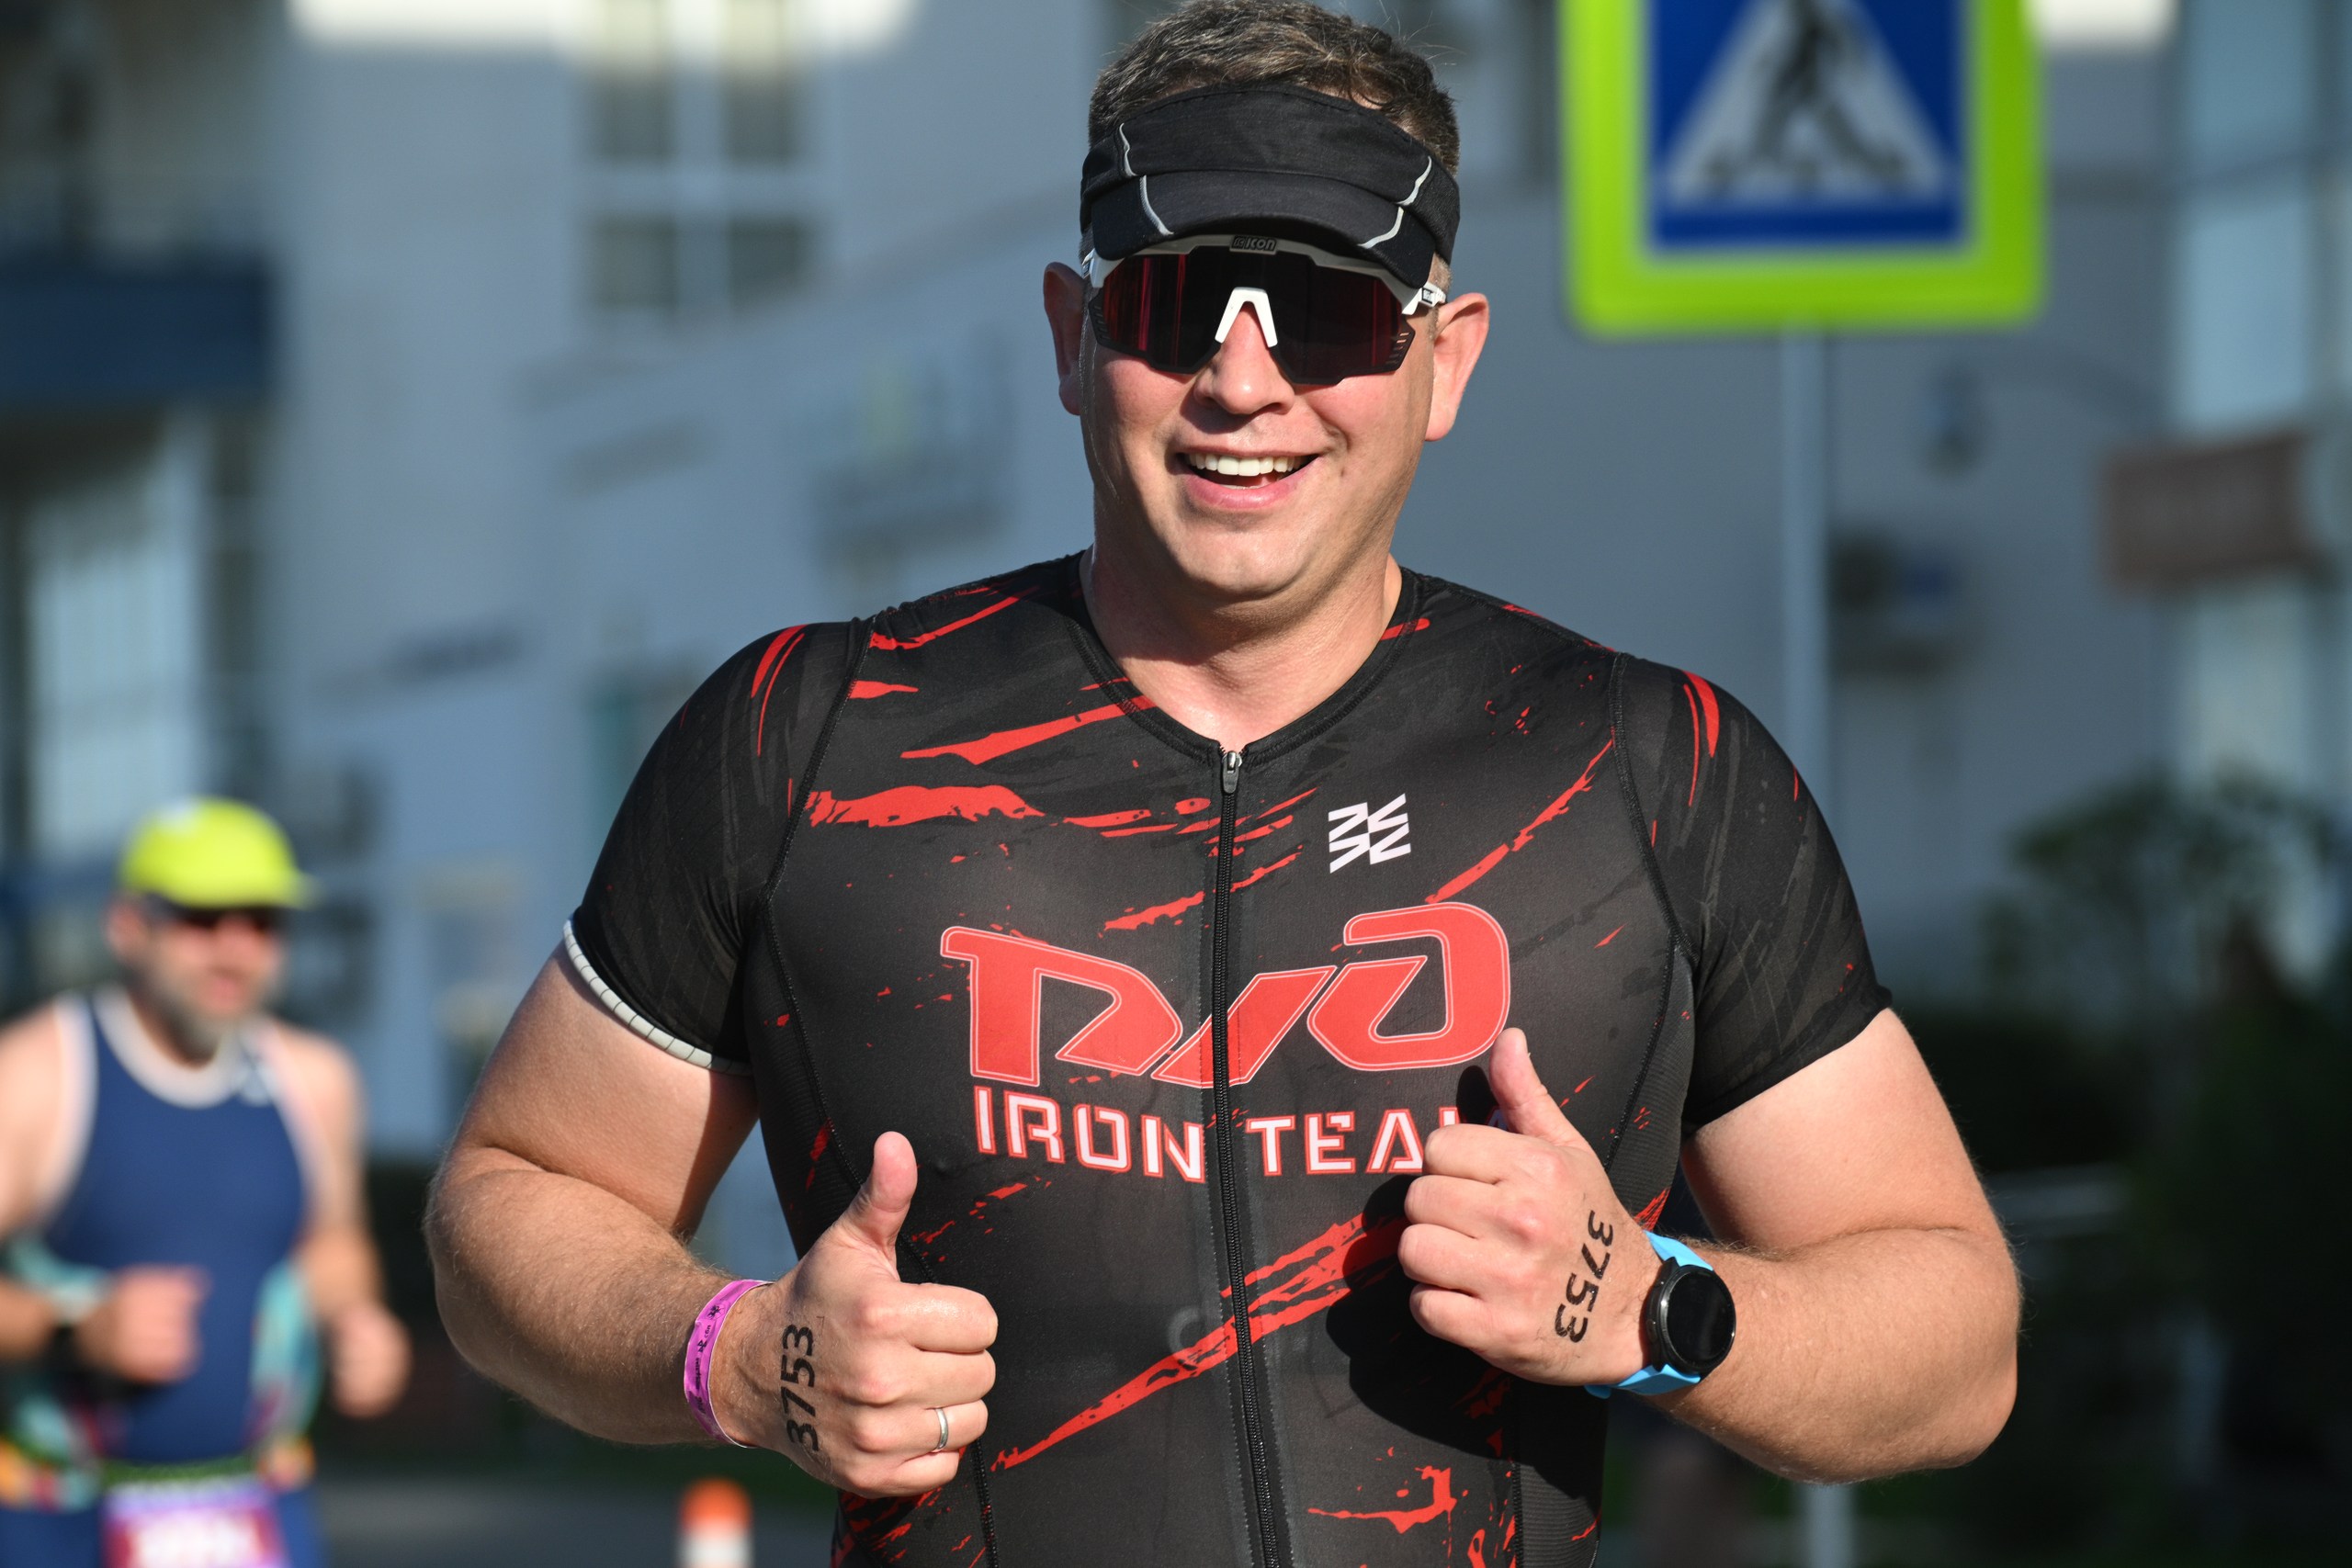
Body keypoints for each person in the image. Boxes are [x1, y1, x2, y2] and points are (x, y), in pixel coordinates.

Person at [427, 5, 2018, 1564]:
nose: (1243, 382)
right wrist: (734, 1351)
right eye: (1178, 299)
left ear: (1445, 358)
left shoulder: (1638, 765)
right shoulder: (814, 737)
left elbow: (1958, 1344)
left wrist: (1651, 1307)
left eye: (1326, 311)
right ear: (1072, 335)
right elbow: (511, 1197)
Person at [0, 799, 410, 1567]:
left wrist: (356, 1318)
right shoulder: (38, 1073)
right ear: (128, 925)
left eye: (262, 921)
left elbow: (331, 1242)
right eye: (202, 919)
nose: (235, 949)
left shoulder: (314, 1077)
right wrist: (74, 1326)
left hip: (257, 1506)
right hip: (61, 1514)